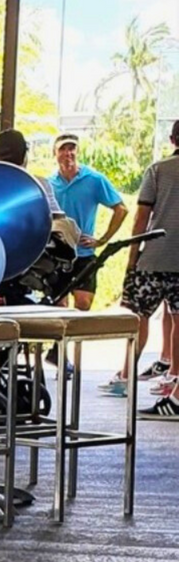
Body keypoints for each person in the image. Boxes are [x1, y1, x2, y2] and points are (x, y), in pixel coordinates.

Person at [120, 120, 179, 420]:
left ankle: (127, 371)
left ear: (173, 139)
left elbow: (141, 216)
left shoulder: (157, 170)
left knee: (137, 315)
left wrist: (132, 257)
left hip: (155, 256)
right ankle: (175, 381)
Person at [50, 134, 128, 309]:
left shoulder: (94, 179)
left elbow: (121, 209)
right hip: (57, 254)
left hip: (84, 253)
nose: (68, 153)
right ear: (54, 154)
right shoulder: (49, 184)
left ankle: (77, 338)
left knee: (83, 304)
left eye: (72, 148)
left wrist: (102, 239)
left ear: (77, 152)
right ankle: (61, 337)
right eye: (62, 149)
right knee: (58, 306)